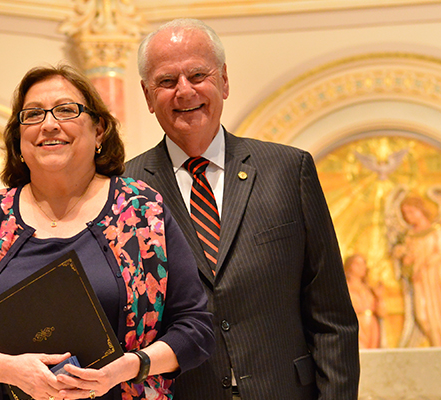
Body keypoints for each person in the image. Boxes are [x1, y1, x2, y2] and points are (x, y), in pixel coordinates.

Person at [0, 64, 214, 400]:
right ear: (19, 139)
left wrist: (125, 367)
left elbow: (195, 329)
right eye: (32, 115)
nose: (48, 124)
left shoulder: (143, 211)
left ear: (99, 129)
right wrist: (11, 370)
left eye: (65, 110)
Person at [125, 18, 360, 399]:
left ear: (224, 80)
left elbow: (332, 318)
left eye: (198, 74)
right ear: (148, 96)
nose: (184, 91)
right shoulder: (125, 192)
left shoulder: (289, 170)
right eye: (167, 81)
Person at [392, 195, 441, 347]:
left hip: (434, 279)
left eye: (411, 212)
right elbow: (409, 256)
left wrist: (423, 266)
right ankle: (435, 348)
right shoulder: (410, 235)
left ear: (420, 210)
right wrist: (404, 256)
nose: (408, 217)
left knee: (439, 316)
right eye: (405, 214)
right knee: (422, 315)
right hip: (419, 281)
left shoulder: (436, 231)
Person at [344, 254, 381, 349]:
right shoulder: (344, 288)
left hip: (372, 326)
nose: (362, 267)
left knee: (372, 356)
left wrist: (379, 297)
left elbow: (381, 312)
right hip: (355, 325)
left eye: (363, 264)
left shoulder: (368, 288)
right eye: (357, 264)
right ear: (350, 266)